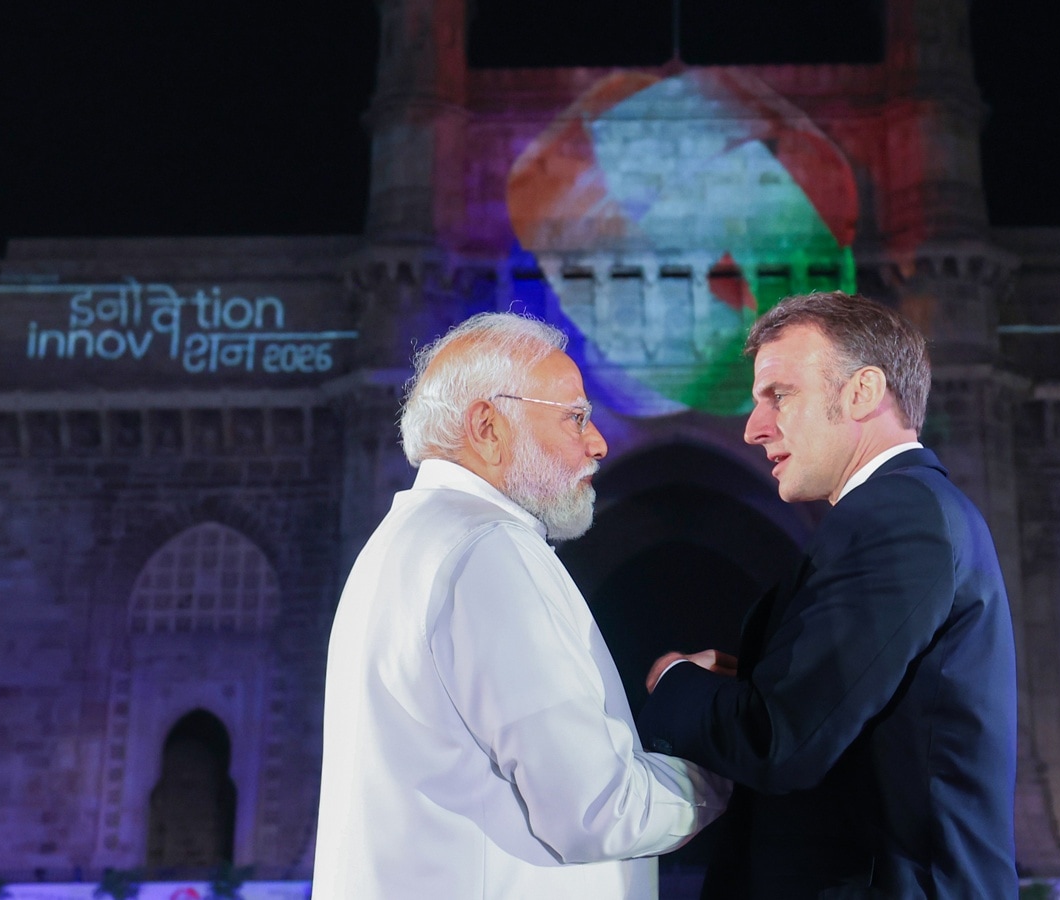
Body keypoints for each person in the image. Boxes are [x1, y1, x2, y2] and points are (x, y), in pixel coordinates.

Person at [312, 312, 728, 899]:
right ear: (488, 426)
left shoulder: (404, 540)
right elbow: (598, 810)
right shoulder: (488, 548)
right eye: (574, 417)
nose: (598, 443)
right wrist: (725, 755)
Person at [637, 292, 1018, 899]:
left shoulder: (899, 517)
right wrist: (756, 681)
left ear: (862, 392)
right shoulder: (899, 512)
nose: (754, 427)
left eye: (779, 396)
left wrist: (675, 681)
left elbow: (783, 741)